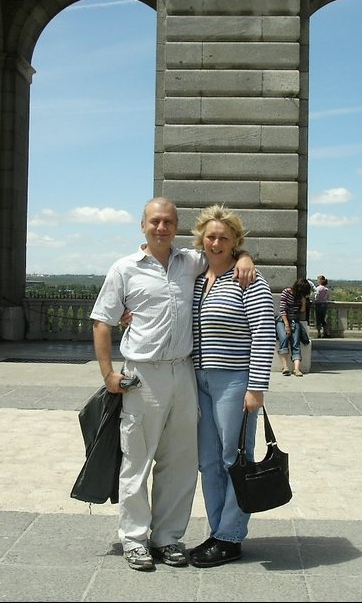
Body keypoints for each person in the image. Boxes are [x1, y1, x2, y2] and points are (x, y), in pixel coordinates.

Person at [89, 197, 255, 571]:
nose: (161, 228)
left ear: (177, 227)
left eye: (168, 222)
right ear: (143, 224)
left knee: (180, 462)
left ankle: (167, 537)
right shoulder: (124, 269)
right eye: (155, 221)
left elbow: (223, 250)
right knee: (138, 459)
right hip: (142, 375)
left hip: (184, 373)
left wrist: (245, 257)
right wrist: (108, 374)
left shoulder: (190, 262)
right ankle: (134, 538)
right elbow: (102, 322)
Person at [187, 205, 277, 568]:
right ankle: (217, 530)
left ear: (235, 241)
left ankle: (230, 537)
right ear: (201, 239)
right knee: (208, 462)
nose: (216, 242)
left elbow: (264, 332)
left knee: (233, 459)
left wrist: (256, 388)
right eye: (211, 236)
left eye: (224, 237)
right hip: (201, 380)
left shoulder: (250, 280)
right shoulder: (197, 278)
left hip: (235, 381)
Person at [276, 277, 312, 376]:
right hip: (282, 320)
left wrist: (303, 303)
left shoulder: (301, 296)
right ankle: (285, 366)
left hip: (294, 320)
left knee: (295, 342)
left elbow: (301, 311)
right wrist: (287, 325)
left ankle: (297, 369)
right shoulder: (286, 292)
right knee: (283, 339)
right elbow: (282, 310)